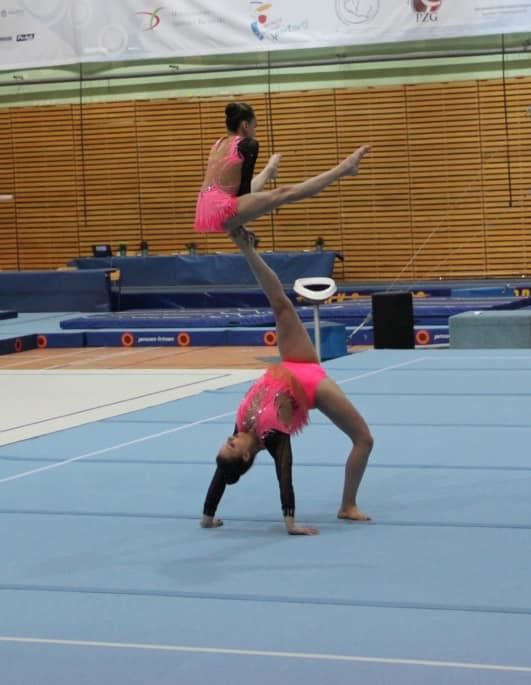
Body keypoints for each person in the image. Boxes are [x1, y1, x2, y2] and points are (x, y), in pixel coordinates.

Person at [201, 228, 374, 535]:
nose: (229, 438)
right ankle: (347, 505)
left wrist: (207, 516)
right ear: (245, 455)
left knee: (280, 303)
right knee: (364, 439)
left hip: (294, 361)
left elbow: (221, 472)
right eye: (231, 445)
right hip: (313, 387)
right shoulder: (272, 434)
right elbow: (284, 472)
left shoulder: (242, 426)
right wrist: (290, 524)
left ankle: (248, 249)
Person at [194, 101, 371, 237]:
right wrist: (241, 223)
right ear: (245, 125)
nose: (255, 130)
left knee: (262, 196)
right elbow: (244, 193)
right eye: (255, 126)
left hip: (204, 211)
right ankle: (344, 168)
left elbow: (231, 189)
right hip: (223, 211)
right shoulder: (248, 144)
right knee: (285, 193)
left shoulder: (218, 144)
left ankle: (269, 170)